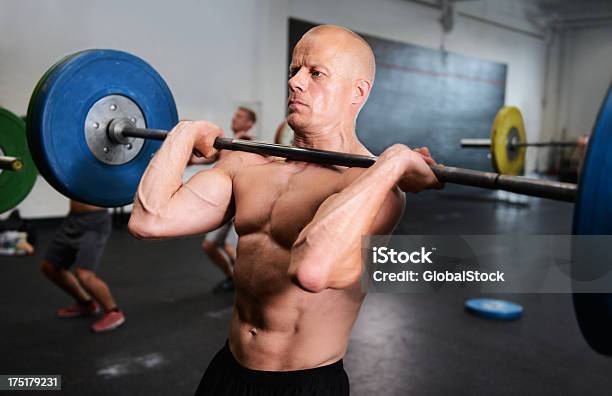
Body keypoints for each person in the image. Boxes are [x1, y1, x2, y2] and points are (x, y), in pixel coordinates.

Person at [129, 25, 440, 395]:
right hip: (228, 370)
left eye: (315, 73)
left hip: (302, 384)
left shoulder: (372, 189)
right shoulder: (249, 165)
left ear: (357, 92)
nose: (295, 83)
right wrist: (184, 132)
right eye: (294, 71)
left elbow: (312, 269)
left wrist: (391, 163)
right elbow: (149, 219)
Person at [40, 200, 125, 332]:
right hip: (72, 218)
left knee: (84, 275)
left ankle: (114, 312)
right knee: (50, 267)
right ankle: (86, 304)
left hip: (95, 222)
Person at [200, 107, 256, 293]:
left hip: (241, 204)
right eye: (235, 115)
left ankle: (250, 289)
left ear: (249, 123)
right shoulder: (228, 143)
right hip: (225, 205)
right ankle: (232, 278)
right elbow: (215, 157)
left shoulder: (247, 142)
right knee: (209, 246)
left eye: (240, 117)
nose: (234, 119)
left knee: (232, 248)